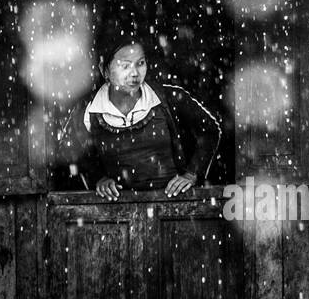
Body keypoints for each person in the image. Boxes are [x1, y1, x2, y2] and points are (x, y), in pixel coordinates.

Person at [56, 35, 221, 199]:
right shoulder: (89, 109)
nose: (134, 73)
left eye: (140, 63)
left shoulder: (168, 98)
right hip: (117, 212)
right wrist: (98, 178)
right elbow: (68, 150)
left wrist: (192, 174)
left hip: (173, 204)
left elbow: (210, 131)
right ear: (104, 69)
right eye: (124, 66)